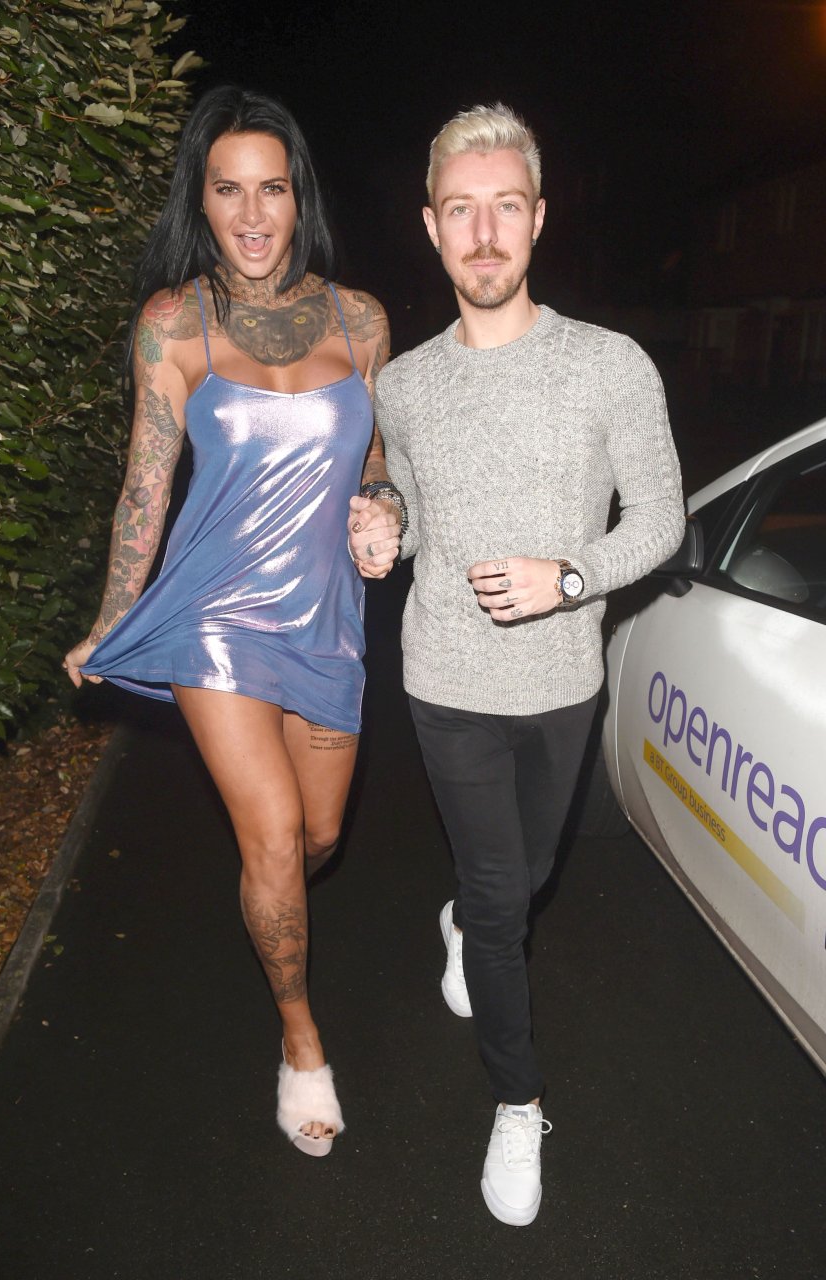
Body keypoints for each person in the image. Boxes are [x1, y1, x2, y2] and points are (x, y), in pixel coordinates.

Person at [351, 104, 685, 1224]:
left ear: (538, 219)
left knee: (527, 877)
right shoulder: (403, 385)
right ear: (431, 227)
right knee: (503, 902)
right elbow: (406, 506)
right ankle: (516, 1100)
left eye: (505, 207)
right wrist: (383, 525)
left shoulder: (610, 365)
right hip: (445, 681)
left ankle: (462, 920)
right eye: (462, 210)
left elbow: (662, 521)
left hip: (562, 682)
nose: (484, 232)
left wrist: (570, 577)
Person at [64, 86, 403, 1158]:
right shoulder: (175, 323)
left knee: (315, 837)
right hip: (215, 615)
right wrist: (110, 619)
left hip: (327, 615)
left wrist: (383, 509)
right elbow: (144, 486)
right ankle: (300, 1037)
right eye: (228, 190)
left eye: (272, 189)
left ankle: (274, 898)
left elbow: (378, 457)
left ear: (299, 198)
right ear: (200, 202)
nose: (252, 214)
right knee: (269, 837)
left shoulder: (361, 320)